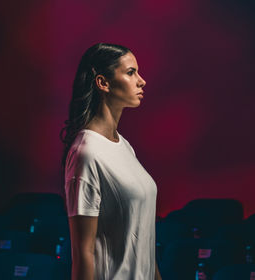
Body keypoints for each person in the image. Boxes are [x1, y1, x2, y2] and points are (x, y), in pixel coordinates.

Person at [60, 42, 162, 280]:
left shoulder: (124, 146)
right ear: (103, 83)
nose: (141, 80)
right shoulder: (87, 153)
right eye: (130, 72)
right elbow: (83, 252)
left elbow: (142, 243)